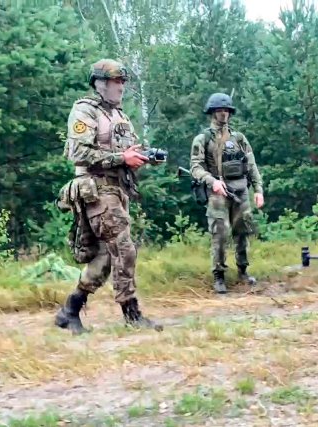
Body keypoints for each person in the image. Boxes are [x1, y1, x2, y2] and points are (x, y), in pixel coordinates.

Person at [54, 58, 164, 334]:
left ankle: (70, 310)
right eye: (117, 81)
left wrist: (144, 157)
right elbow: (78, 153)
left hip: (118, 190)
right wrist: (121, 157)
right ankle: (131, 314)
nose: (122, 86)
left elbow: (128, 152)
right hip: (97, 188)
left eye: (123, 81)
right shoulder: (85, 111)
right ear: (100, 84)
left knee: (104, 259)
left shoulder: (120, 116)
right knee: (125, 248)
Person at [190, 92, 264, 294]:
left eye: (226, 110)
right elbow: (196, 167)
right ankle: (219, 275)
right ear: (211, 112)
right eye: (218, 110)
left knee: (243, 231)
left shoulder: (239, 138)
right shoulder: (203, 138)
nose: (223, 114)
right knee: (220, 233)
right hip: (218, 192)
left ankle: (242, 270)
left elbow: (251, 165)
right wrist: (212, 181)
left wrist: (258, 190)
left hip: (240, 190)